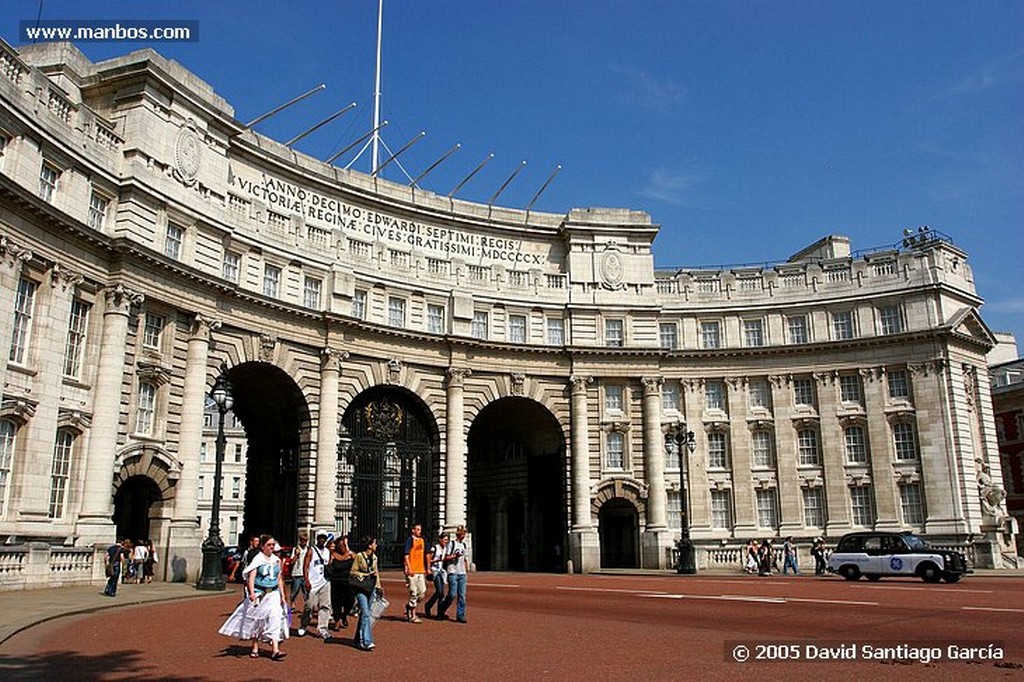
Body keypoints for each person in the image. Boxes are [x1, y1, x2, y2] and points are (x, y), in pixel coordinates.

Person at [219, 534, 288, 661]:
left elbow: (279, 579)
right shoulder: (258, 559)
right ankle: (255, 646)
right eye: (269, 545)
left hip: (273, 594)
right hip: (260, 593)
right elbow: (251, 577)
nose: (272, 547)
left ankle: (275, 649)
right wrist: (251, 593)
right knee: (257, 620)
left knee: (275, 617)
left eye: (273, 545)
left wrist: (283, 596)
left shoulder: (276, 560)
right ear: (263, 546)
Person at [350, 535, 383, 651]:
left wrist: (379, 587)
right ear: (369, 545)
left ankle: (357, 639)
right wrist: (365, 575)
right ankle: (367, 641)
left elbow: (376, 572)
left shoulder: (374, 558)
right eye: (374, 543)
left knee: (365, 614)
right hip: (360, 587)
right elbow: (353, 572)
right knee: (365, 613)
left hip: (370, 587)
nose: (376, 545)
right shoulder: (359, 556)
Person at [299, 531, 332, 641]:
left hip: (325, 582)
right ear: (317, 538)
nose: (322, 540)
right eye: (320, 537)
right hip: (313, 583)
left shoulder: (327, 551)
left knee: (325, 606)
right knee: (309, 605)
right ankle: (304, 624)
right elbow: (306, 566)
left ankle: (322, 628)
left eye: (324, 538)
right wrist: (306, 580)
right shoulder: (311, 550)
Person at [439, 525, 469, 623]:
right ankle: (442, 608)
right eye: (462, 533)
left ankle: (460, 615)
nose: (463, 535)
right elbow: (445, 558)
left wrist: (466, 566)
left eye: (464, 533)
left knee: (462, 595)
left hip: (462, 573)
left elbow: (464, 558)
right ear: (458, 534)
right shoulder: (452, 544)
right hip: (452, 571)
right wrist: (454, 556)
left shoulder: (464, 545)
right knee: (452, 594)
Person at [402, 523, 429, 623]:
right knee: (413, 592)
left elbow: (427, 554)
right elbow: (406, 555)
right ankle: (413, 615)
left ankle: (410, 605)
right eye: (417, 529)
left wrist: (427, 568)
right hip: (412, 570)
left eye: (420, 529)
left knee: (422, 592)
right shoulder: (410, 540)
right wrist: (409, 568)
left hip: (421, 569)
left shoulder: (423, 540)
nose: (419, 531)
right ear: (413, 530)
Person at [329, 535, 355, 630]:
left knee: (350, 601)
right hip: (336, 583)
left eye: (344, 545)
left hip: (348, 583)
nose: (342, 547)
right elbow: (329, 566)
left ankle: (344, 615)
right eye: (340, 545)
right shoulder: (333, 555)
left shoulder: (351, 555)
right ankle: (337, 622)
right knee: (336, 603)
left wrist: (347, 547)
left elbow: (357, 561)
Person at [424, 532, 449, 618]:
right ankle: (428, 605)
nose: (446, 542)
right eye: (444, 540)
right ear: (440, 539)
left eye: (447, 540)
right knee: (439, 591)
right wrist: (428, 569)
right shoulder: (435, 548)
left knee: (442, 593)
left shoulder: (445, 548)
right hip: (435, 570)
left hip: (441, 571)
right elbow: (428, 559)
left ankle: (439, 612)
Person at [289, 533, 309, 609]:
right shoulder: (296, 549)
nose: (304, 542)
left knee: (306, 592)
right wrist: (296, 555)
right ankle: (292, 603)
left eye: (305, 540)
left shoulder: (308, 549)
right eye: (302, 540)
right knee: (295, 591)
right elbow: (292, 562)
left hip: (305, 573)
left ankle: (307, 605)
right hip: (297, 573)